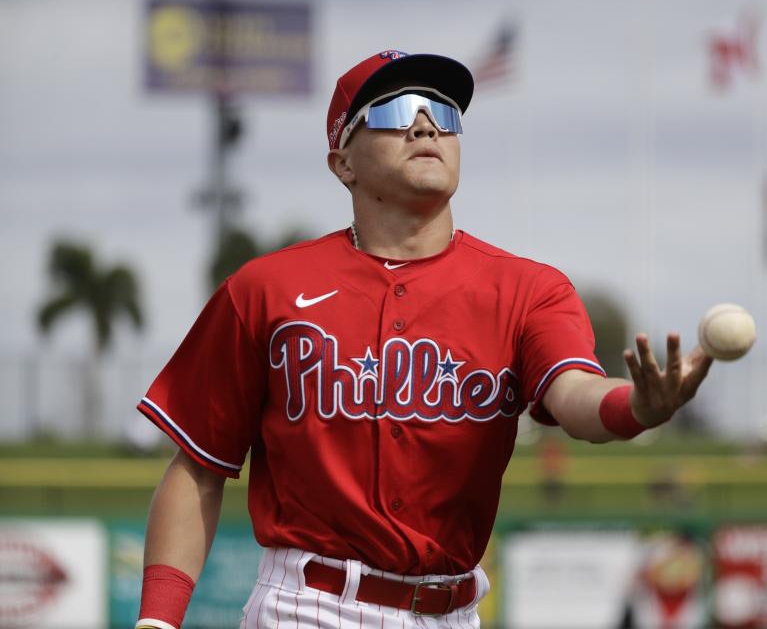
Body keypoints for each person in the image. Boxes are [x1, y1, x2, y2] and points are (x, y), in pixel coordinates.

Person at [134, 50, 713, 629]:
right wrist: (158, 621)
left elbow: (574, 391)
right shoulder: (266, 290)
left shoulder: (528, 289)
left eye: (444, 111)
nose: (425, 123)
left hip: (453, 612)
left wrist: (634, 406)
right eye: (394, 110)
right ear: (343, 163)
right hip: (308, 605)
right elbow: (199, 468)